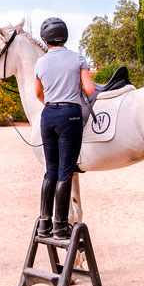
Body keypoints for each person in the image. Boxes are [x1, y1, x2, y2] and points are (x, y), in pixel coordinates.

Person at [33, 17, 95, 240]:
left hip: (48, 114)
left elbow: (38, 94)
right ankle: (60, 226)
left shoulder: (41, 62)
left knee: (50, 171)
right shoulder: (77, 57)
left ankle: (44, 223)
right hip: (70, 115)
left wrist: (53, 106)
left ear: (45, 39)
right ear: (64, 36)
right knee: (65, 172)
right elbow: (89, 89)